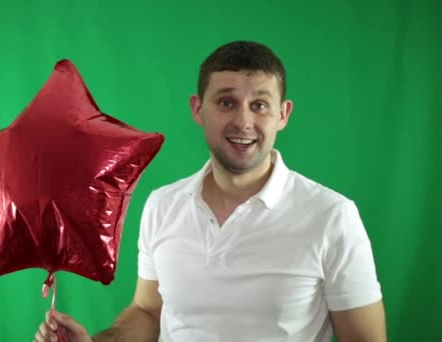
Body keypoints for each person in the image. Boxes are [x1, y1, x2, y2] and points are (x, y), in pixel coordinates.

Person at [34, 41, 387, 342]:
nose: (243, 121)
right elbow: (148, 311)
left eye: (259, 105)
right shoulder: (162, 205)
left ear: (283, 114)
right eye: (226, 102)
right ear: (197, 109)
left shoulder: (332, 216)